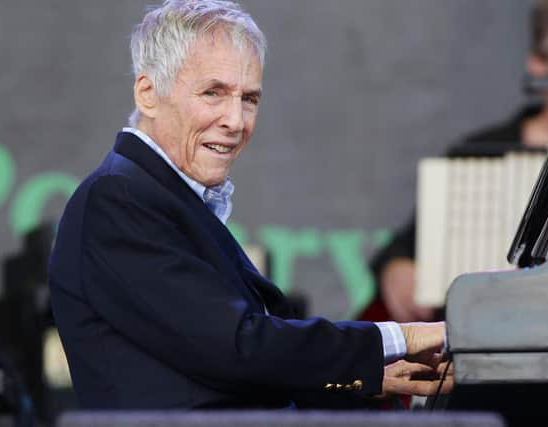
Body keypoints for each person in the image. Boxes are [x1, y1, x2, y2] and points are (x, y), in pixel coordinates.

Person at [48, 0, 452, 410]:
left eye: (249, 99)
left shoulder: (158, 196)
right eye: (213, 93)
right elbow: (237, 347)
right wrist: (404, 336)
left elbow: (233, 368)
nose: (236, 120)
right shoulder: (120, 199)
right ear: (148, 94)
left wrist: (371, 376)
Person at [361, 0, 548, 324]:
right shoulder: (481, 153)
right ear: (539, 66)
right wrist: (397, 268)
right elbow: (406, 246)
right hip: (495, 326)